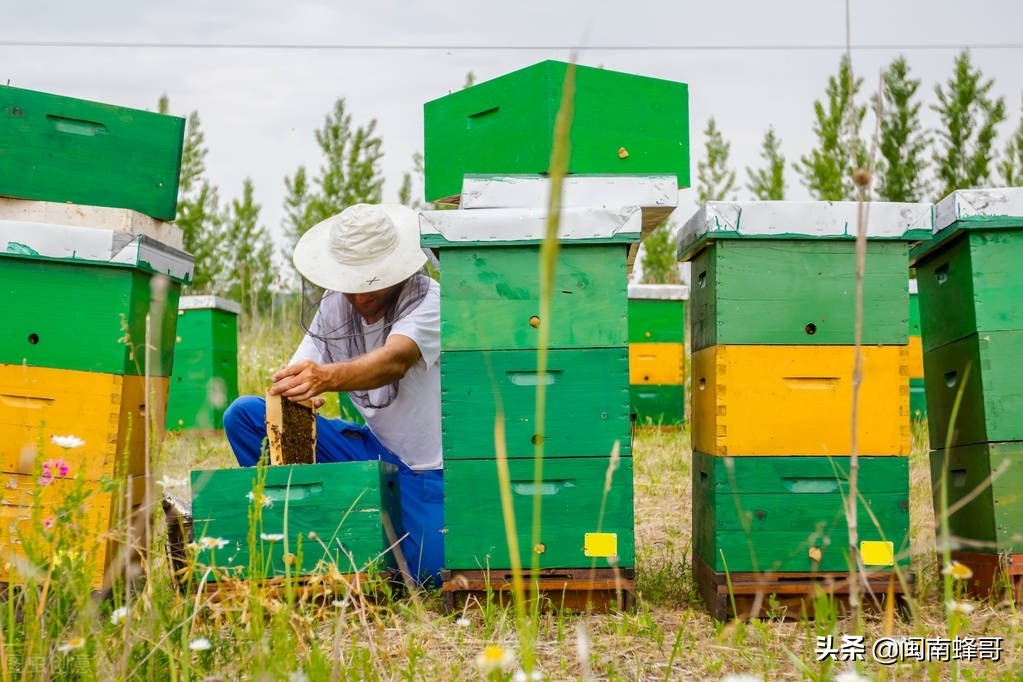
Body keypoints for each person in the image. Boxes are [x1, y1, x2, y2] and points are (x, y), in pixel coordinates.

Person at [222, 203, 443, 586]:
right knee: (244, 415)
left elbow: (394, 360)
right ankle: (296, 533)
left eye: (371, 282)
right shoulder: (333, 303)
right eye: (351, 282)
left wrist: (324, 378)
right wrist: (293, 392)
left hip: (430, 474)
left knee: (425, 574)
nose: (360, 296)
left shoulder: (430, 301)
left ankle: (346, 537)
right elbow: (300, 373)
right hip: (373, 457)